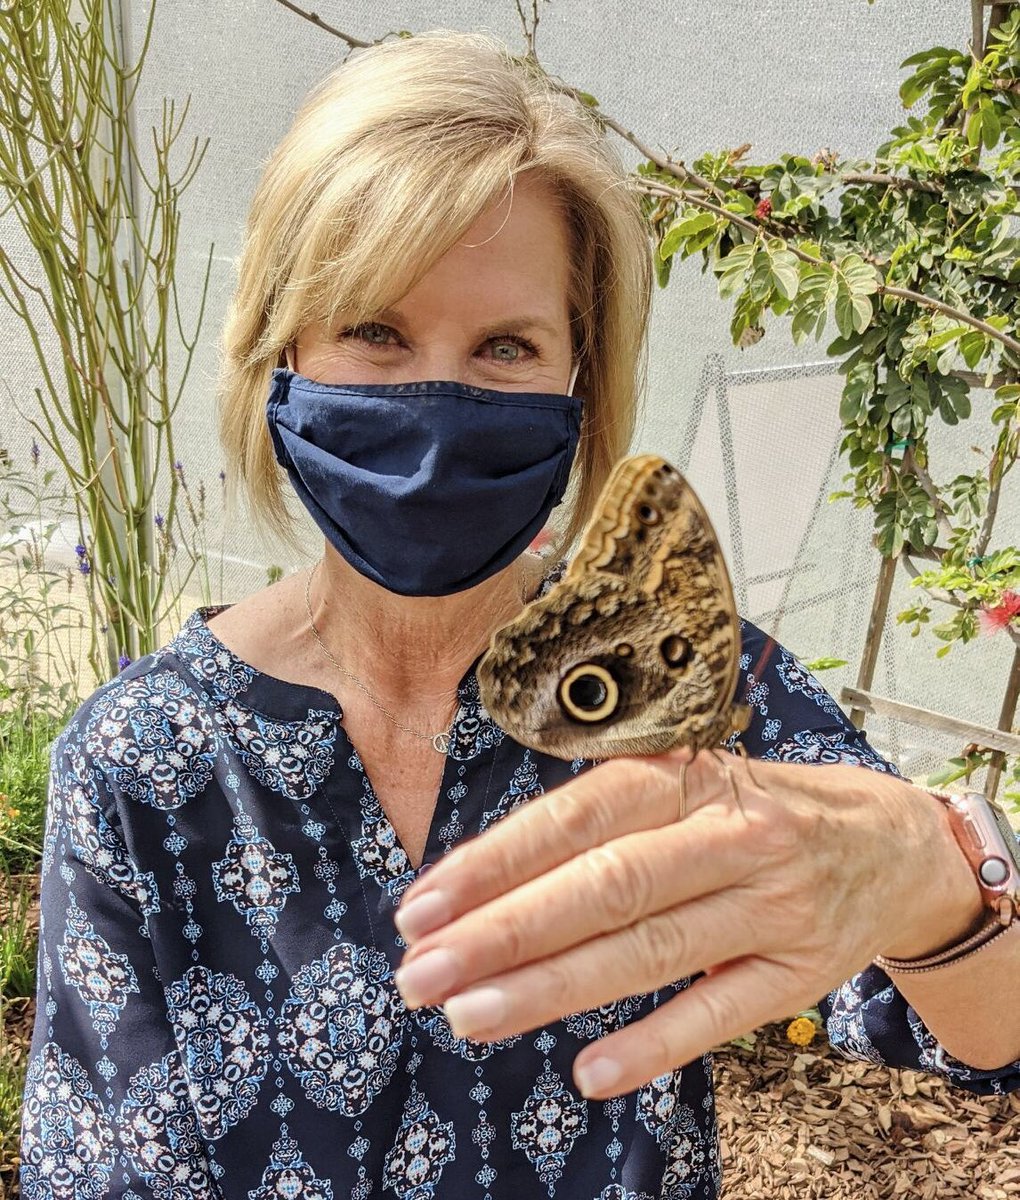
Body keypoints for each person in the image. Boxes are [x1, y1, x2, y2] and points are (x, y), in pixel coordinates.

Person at [20, 30, 1020, 1200]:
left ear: (578, 385)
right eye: (375, 330)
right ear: (281, 349)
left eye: (505, 346)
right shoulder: (146, 757)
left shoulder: (673, 684)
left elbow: (989, 1031)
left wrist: (932, 874)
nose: (434, 402)